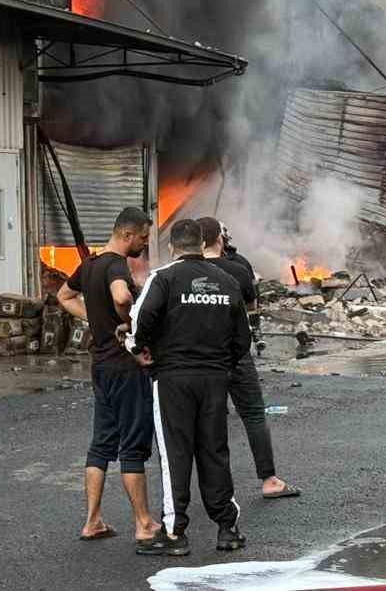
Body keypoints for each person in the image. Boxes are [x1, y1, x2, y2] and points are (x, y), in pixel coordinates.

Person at [127, 219, 251, 557]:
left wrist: (140, 351)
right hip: (214, 379)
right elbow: (243, 339)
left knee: (176, 454)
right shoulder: (227, 280)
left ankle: (174, 532)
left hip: (172, 380)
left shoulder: (164, 278)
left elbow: (140, 323)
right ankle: (227, 528)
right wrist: (222, 365)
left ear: (172, 247)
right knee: (214, 451)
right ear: (201, 243)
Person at [55, 207, 160, 546]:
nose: (144, 244)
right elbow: (121, 295)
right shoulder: (116, 264)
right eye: (143, 237)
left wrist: (94, 320)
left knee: (101, 444)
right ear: (127, 235)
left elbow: (63, 296)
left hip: (100, 367)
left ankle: (93, 520)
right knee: (132, 446)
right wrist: (126, 322)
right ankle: (144, 523)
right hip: (125, 368)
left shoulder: (90, 264)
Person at [195, 216, 301, 500]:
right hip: (235, 354)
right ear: (220, 238)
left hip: (198, 359)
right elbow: (251, 309)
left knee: (206, 420)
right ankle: (269, 480)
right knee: (253, 414)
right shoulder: (238, 270)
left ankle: (212, 487)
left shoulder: (181, 273)